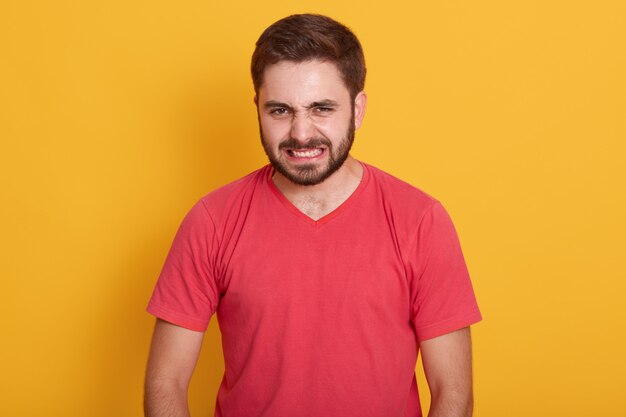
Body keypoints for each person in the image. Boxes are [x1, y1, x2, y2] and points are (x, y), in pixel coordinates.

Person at [144, 13, 482, 417]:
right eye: (280, 111)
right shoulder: (211, 221)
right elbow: (166, 383)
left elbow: (453, 394)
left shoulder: (421, 221)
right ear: (257, 108)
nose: (301, 133)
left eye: (321, 108)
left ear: (357, 110)